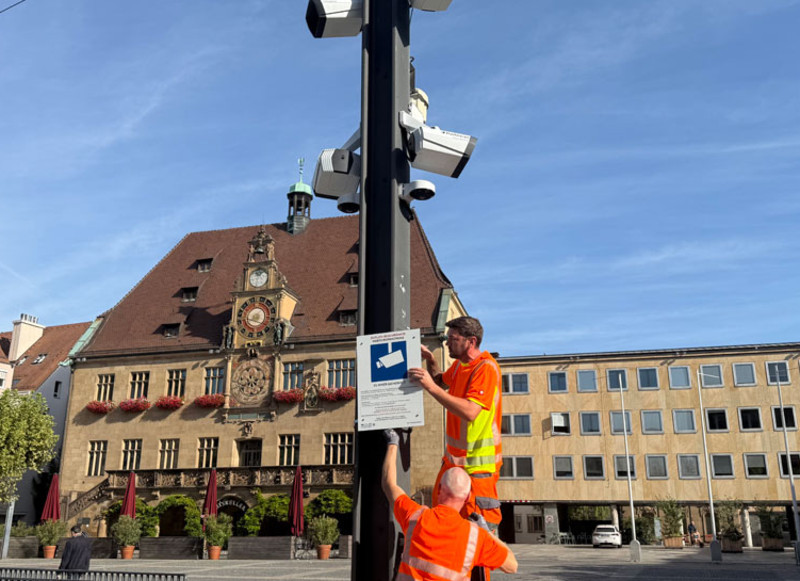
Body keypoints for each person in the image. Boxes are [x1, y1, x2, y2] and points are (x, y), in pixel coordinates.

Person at [381, 430, 517, 580]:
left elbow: (389, 484)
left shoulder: (416, 517)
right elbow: (512, 566)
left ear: (438, 489)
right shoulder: (475, 537)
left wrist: (393, 442)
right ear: (467, 498)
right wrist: (487, 532)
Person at [408, 316, 503, 529]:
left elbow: (470, 411)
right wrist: (431, 359)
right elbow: (440, 381)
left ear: (471, 341)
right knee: (445, 522)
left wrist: (430, 387)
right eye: (448, 338)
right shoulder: (461, 366)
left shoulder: (485, 368)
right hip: (455, 462)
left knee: (478, 530)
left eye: (453, 338)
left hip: (478, 467)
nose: (448, 343)